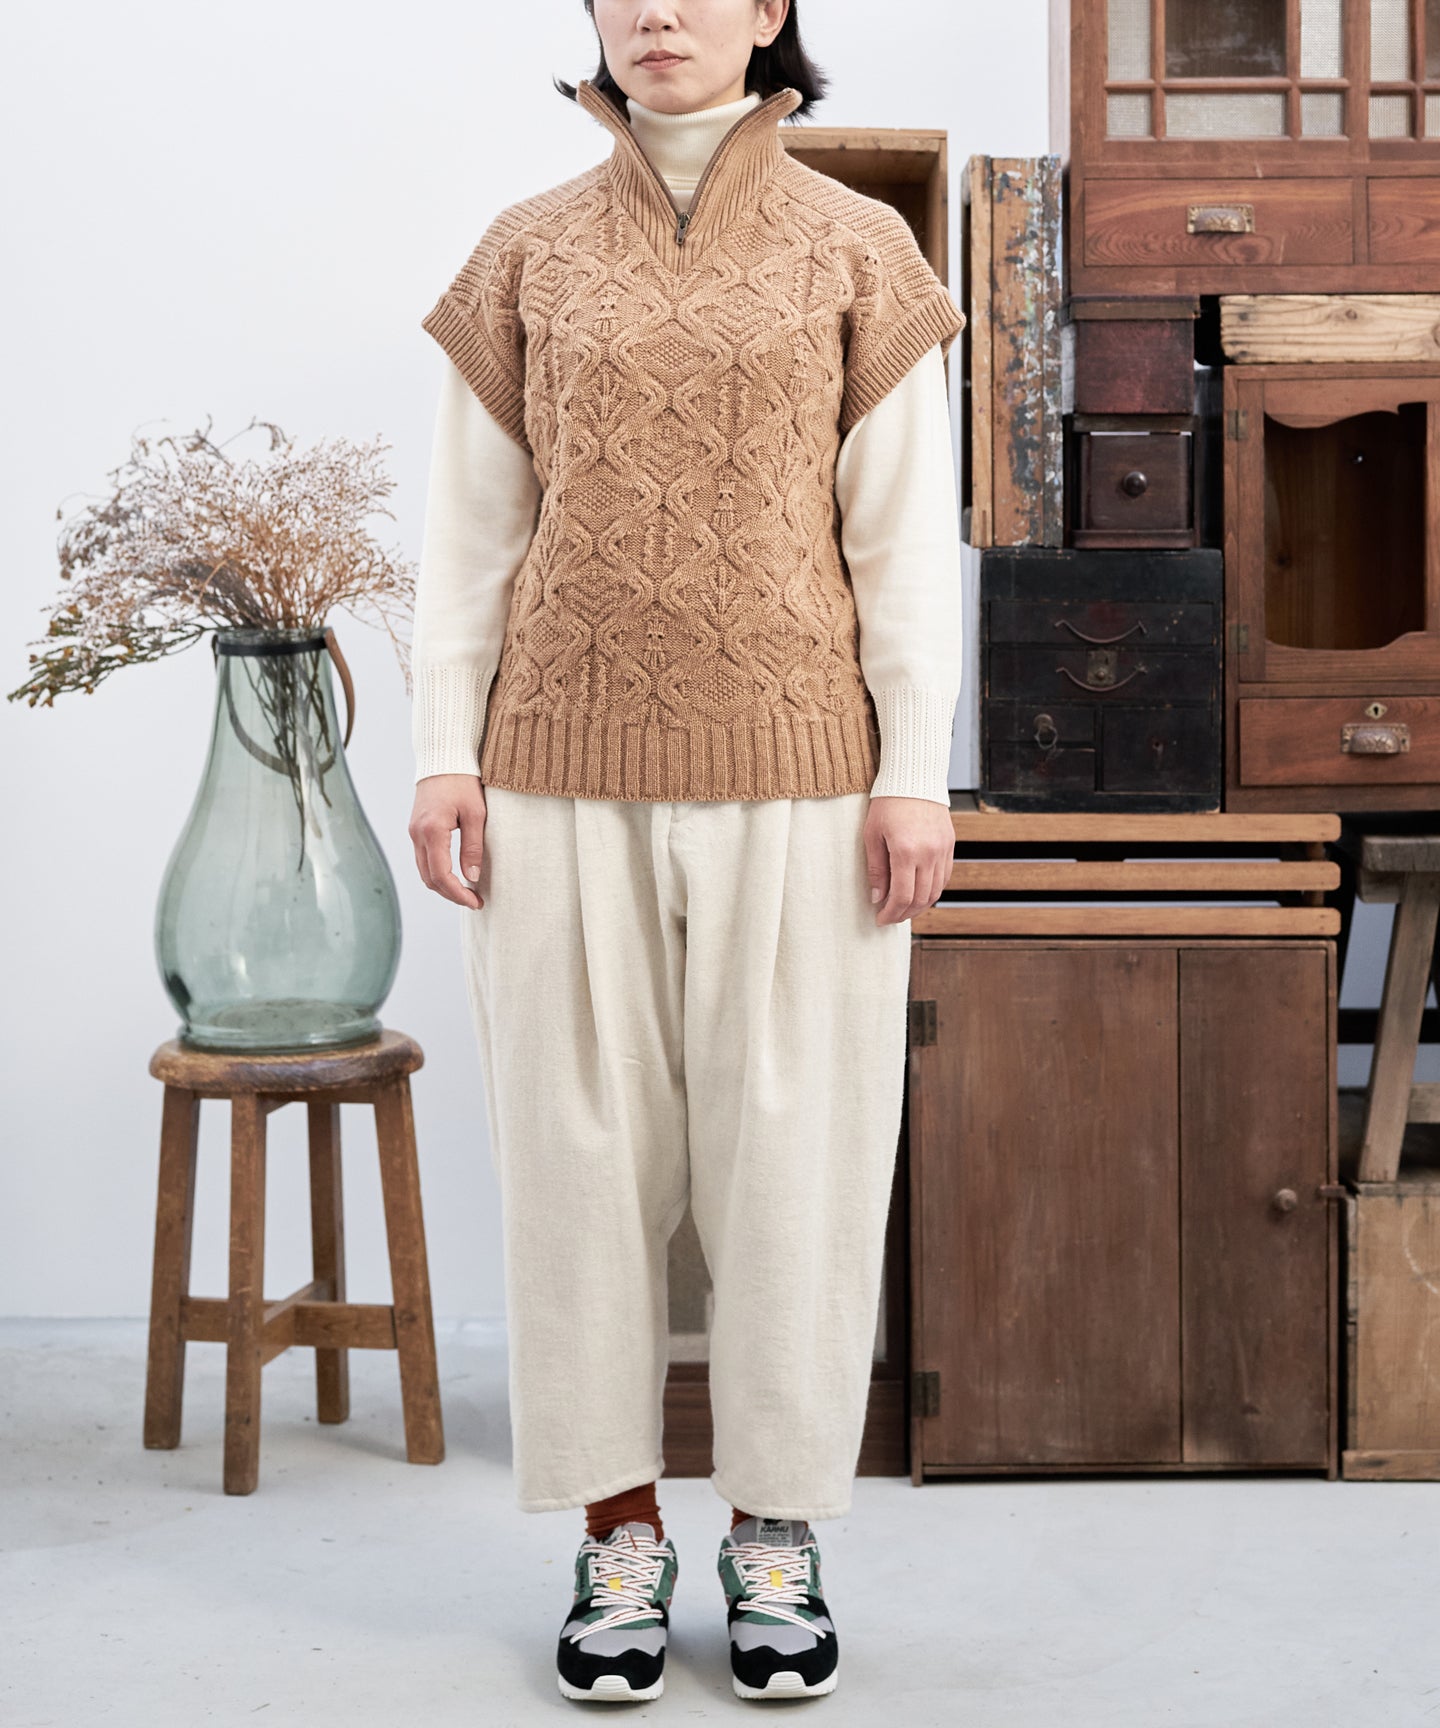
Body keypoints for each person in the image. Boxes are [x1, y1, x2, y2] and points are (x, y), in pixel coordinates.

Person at [407, 0, 964, 1704]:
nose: (659, 13)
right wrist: (442, 751)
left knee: (796, 1165)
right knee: (578, 1165)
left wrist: (913, 772)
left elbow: (902, 540)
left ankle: (777, 1531)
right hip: (553, 777)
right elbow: (469, 531)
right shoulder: (523, 252)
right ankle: (619, 1536)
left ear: (771, 10)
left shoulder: (862, 251)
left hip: (804, 782)